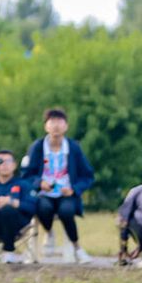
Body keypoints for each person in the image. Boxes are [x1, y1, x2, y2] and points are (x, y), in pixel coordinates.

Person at [22, 108, 96, 263]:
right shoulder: (38, 147)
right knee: (43, 207)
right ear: (46, 127)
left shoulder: (74, 148)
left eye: (60, 122)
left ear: (66, 126)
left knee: (67, 211)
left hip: (66, 193)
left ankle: (77, 248)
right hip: (44, 193)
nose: (56, 126)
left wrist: (74, 189)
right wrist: (39, 183)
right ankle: (48, 233)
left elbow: (87, 175)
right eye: (52, 122)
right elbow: (26, 174)